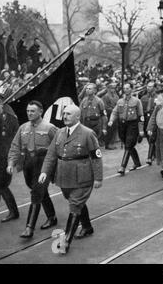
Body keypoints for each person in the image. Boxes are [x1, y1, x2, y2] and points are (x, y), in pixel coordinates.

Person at [38, 104, 103, 254]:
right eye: (64, 114)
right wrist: (44, 172)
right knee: (75, 202)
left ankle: (66, 241)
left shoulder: (88, 134)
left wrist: (98, 178)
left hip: (82, 177)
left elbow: (96, 157)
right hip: (64, 177)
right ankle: (87, 227)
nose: (65, 116)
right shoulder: (60, 132)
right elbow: (51, 155)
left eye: (68, 114)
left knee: (74, 205)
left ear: (77, 117)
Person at [7, 100, 58, 238]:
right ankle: (52, 217)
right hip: (28, 163)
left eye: (33, 111)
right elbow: (15, 146)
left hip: (44, 163)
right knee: (37, 190)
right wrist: (11, 163)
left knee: (36, 192)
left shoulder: (50, 128)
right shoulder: (23, 128)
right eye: (28, 111)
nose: (29, 113)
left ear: (40, 111)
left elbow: (58, 146)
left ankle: (29, 228)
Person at [108, 83, 145, 175]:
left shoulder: (137, 101)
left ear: (131, 89)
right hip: (122, 125)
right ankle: (137, 163)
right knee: (128, 144)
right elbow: (114, 112)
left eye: (128, 88)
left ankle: (122, 166)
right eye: (124, 88)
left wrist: (141, 129)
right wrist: (111, 120)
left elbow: (141, 116)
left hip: (132, 125)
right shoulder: (120, 101)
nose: (126, 90)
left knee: (128, 145)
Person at [0, 92, 20, 222]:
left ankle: (13, 212)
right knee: (1, 186)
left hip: (3, 158)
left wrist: (3, 160)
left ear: (2, 104)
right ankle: (14, 211)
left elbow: (6, 142)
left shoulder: (7, 118)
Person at [140, 81, 157, 164]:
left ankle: (150, 157)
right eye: (148, 86)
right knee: (148, 136)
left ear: (154, 88)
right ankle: (155, 153)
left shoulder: (157, 97)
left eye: (150, 86)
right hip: (146, 118)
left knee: (152, 137)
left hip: (153, 118)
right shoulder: (143, 98)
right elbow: (140, 110)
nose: (148, 88)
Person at [102, 82, 119, 150]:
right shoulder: (106, 96)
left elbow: (118, 103)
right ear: (108, 88)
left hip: (115, 114)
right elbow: (105, 106)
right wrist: (112, 109)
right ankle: (107, 144)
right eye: (111, 88)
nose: (113, 89)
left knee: (114, 129)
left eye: (114, 88)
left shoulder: (116, 96)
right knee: (109, 130)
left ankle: (112, 143)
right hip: (109, 114)